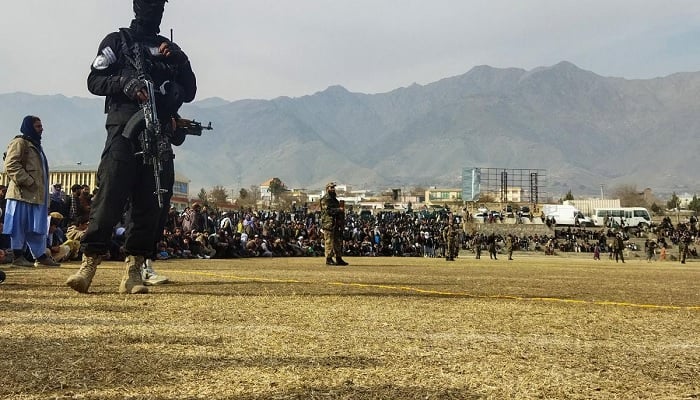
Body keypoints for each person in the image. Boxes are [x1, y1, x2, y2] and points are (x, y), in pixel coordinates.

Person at [66, 0, 197, 294]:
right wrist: (124, 82)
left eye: (159, 6)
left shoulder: (168, 49)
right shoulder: (117, 42)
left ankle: (134, 269)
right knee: (110, 194)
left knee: (153, 202)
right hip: (124, 130)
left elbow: (189, 91)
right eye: (149, 4)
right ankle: (88, 265)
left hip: (158, 133)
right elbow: (94, 79)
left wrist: (181, 61)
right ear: (137, 6)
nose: (154, 11)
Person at [2, 116, 60, 268]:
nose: (41, 129)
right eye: (38, 126)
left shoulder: (35, 146)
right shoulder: (20, 143)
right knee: (18, 226)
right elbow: (10, 165)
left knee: (37, 227)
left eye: (41, 126)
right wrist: (29, 181)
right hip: (21, 195)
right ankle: (17, 256)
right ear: (29, 127)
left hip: (36, 196)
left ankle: (40, 256)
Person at [320, 182, 348, 266]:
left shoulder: (334, 200)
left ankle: (338, 258)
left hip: (335, 223)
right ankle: (329, 259)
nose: (333, 189)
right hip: (328, 223)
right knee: (329, 241)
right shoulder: (325, 199)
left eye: (333, 188)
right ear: (327, 189)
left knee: (337, 241)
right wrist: (339, 210)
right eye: (331, 187)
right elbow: (328, 211)